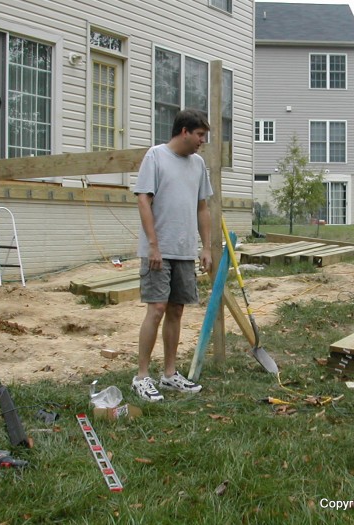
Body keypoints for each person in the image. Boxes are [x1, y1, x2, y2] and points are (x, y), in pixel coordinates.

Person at [131, 109, 213, 402]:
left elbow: (202, 207)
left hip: (184, 249)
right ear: (184, 132)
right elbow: (143, 200)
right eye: (200, 135)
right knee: (156, 308)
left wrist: (206, 247)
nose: (202, 141)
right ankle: (141, 377)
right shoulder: (156, 156)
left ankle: (169, 374)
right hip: (159, 249)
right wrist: (153, 245)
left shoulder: (198, 164)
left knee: (177, 310)